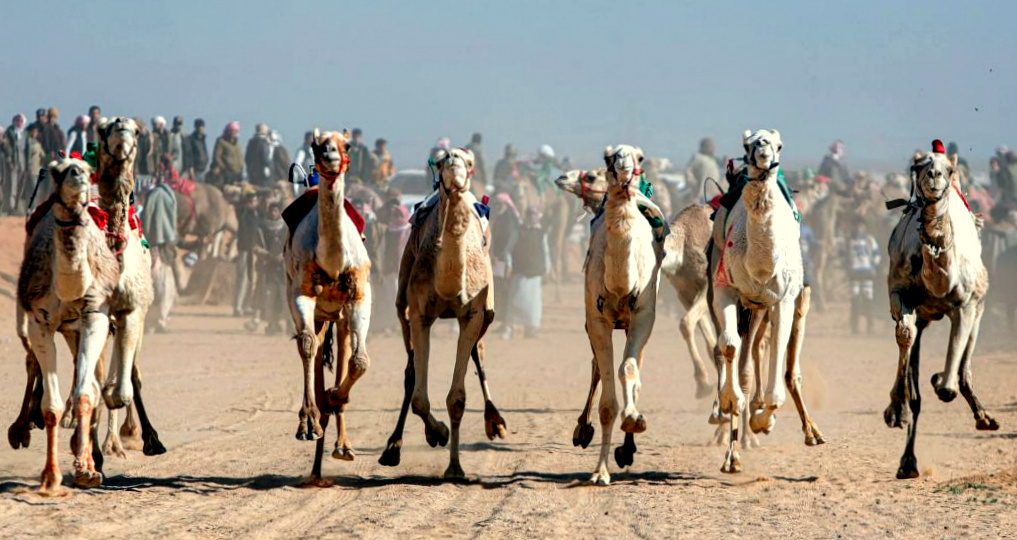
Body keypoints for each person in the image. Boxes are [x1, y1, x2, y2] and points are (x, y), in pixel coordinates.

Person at [143, 156, 179, 333]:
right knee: (164, 282)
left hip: (155, 242)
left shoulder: (154, 195)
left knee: (158, 282)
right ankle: (160, 319)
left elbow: (146, 219)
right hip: (167, 242)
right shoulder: (170, 196)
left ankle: (157, 319)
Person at [505, 206, 550, 339]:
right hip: (520, 271)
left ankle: (532, 329)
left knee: (534, 303)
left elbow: (545, 252)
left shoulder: (542, 233)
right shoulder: (518, 231)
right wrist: (509, 265)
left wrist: (547, 270)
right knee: (515, 300)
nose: (532, 217)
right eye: (529, 214)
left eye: (534, 214)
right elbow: (508, 249)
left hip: (535, 273)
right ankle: (510, 328)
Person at [249, 201, 289, 335]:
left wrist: (282, 256)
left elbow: (291, 246)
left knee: (285, 299)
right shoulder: (262, 227)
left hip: (283, 269)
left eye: (276, 211)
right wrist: (268, 255)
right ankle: (271, 324)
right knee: (269, 298)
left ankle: (290, 326)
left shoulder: (286, 228)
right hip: (268, 269)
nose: (273, 213)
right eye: (271, 211)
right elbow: (256, 247)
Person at [374, 197, 411, 335]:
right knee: (393, 299)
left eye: (398, 214)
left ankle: (405, 323)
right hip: (391, 271)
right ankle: (394, 323)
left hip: (406, 271)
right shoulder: (389, 230)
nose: (396, 216)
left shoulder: (409, 230)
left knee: (405, 298)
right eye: (394, 214)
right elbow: (383, 250)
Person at [489, 193, 520, 333]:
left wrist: (502, 256)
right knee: (499, 289)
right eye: (496, 204)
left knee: (507, 291)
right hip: (497, 260)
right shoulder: (499, 218)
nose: (497, 207)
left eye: (500, 204)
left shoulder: (510, 220)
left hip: (507, 261)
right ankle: (502, 321)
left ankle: (508, 323)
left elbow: (511, 241)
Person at [845, 219, 880, 335]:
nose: (859, 228)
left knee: (868, 300)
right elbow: (845, 255)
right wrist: (847, 267)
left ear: (865, 227)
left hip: (867, 273)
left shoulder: (869, 239)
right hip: (854, 273)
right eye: (857, 226)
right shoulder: (850, 240)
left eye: (861, 226)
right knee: (854, 300)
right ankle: (854, 327)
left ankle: (870, 326)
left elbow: (877, 254)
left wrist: (874, 266)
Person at [233, 190, 260, 317]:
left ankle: (246, 305)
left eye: (254, 201)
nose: (252, 203)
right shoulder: (244, 213)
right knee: (242, 277)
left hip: (253, 250)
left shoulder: (257, 214)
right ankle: (237, 306)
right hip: (244, 249)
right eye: (250, 201)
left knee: (251, 279)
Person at [3, 114, 28, 214]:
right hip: (13, 160)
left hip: (23, 160)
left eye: (21, 121)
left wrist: (27, 163)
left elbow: (27, 148)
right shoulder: (9, 132)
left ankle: (17, 205)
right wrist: (9, 160)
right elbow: (7, 147)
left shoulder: (25, 133)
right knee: (13, 184)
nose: (19, 123)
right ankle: (11, 207)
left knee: (20, 185)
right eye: (17, 120)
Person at [211, 121, 244, 186]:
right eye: (232, 131)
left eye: (236, 131)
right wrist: (224, 168)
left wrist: (241, 165)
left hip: (238, 171)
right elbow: (217, 156)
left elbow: (239, 155)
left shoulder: (236, 143)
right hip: (227, 172)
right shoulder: (221, 141)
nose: (234, 133)